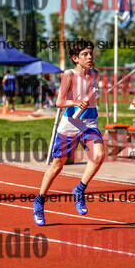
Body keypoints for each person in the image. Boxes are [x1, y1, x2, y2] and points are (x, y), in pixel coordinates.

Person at [33, 40, 105, 226]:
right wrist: (76, 102)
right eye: (84, 54)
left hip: (89, 122)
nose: (89, 57)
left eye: (91, 53)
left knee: (98, 155)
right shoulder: (69, 74)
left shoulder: (94, 74)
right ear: (75, 58)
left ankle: (79, 189)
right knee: (58, 165)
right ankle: (40, 200)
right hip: (71, 123)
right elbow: (59, 102)